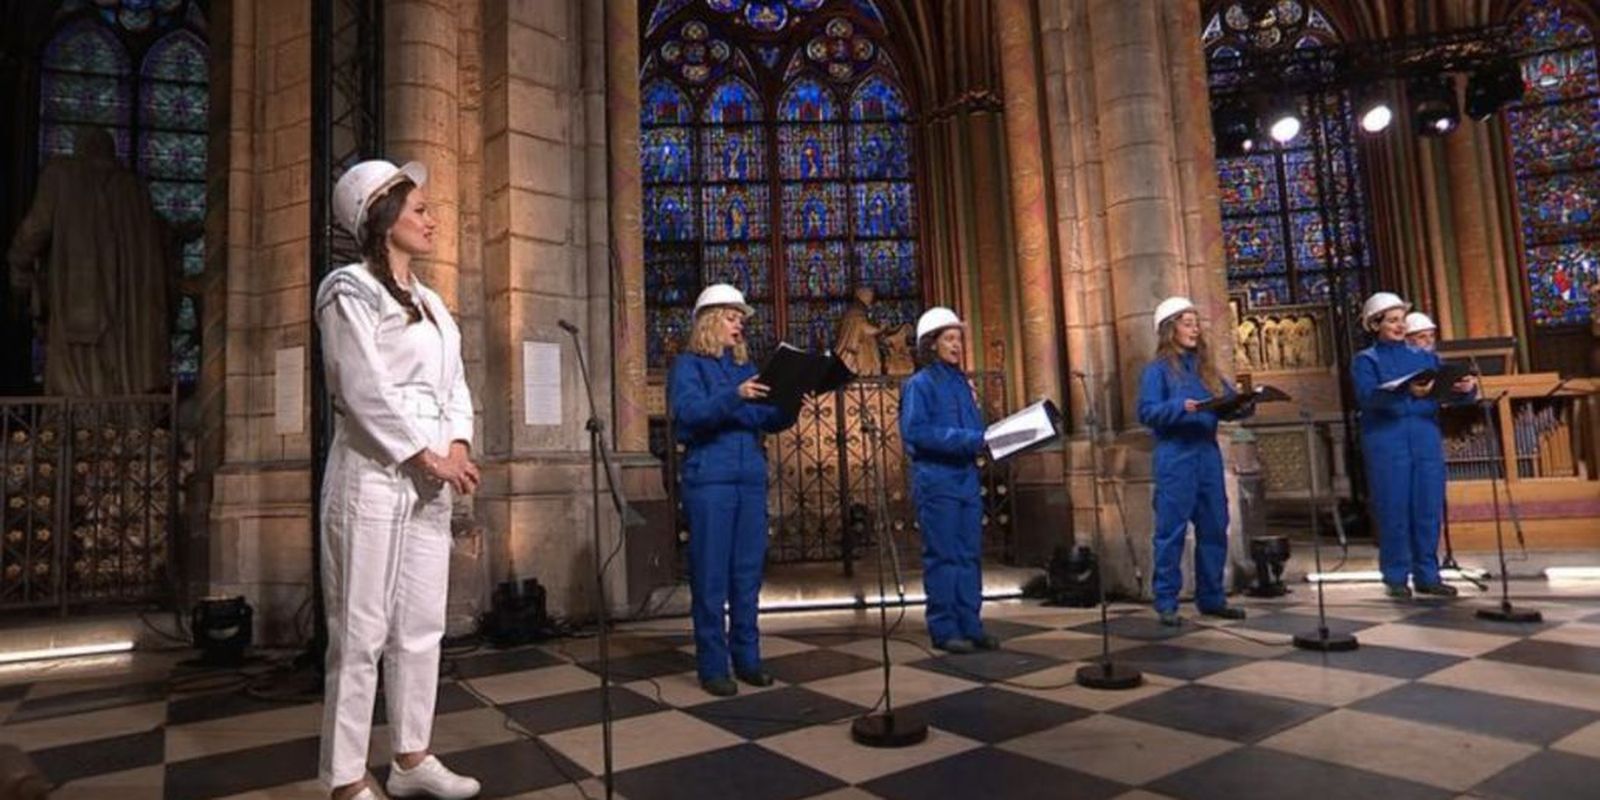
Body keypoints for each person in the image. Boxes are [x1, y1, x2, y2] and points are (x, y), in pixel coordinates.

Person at [315, 159, 481, 800]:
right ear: (383, 220)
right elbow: (362, 389)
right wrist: (425, 455)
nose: (432, 219)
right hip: (374, 474)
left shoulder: (433, 303)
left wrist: (458, 446)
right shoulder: (348, 290)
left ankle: (411, 759)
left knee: (420, 625)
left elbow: (456, 385)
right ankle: (346, 780)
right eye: (419, 210)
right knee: (360, 629)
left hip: (432, 477)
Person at [669, 284, 798, 696]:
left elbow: (769, 419)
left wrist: (794, 398)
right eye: (731, 317)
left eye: (741, 319)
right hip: (710, 480)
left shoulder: (746, 368)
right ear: (709, 321)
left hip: (748, 479)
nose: (739, 324)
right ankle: (713, 665)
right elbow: (690, 414)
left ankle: (748, 658)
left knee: (746, 575)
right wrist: (734, 396)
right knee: (711, 576)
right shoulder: (688, 366)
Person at [7, 126, 170, 395]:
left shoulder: (62, 175)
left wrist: (18, 263)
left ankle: (83, 430)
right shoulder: (134, 189)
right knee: (116, 377)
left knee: (78, 387)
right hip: (128, 317)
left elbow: (34, 231)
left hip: (77, 302)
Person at [1352, 292, 1476, 600]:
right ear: (1375, 324)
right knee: (1393, 509)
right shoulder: (1366, 360)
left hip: (1425, 437)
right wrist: (1405, 392)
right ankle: (1395, 576)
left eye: (1401, 320)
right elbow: (1367, 398)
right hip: (1386, 440)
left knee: (1427, 507)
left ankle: (1427, 575)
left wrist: (1465, 390)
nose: (1399, 325)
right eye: (1392, 320)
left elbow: (1448, 393)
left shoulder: (1425, 358)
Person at [1137, 296, 1253, 627]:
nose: (1194, 329)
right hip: (1176, 455)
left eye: (1196, 323)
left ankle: (1212, 597)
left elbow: (1227, 399)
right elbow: (1146, 412)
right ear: (1169, 329)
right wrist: (1179, 408)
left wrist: (1244, 404)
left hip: (1207, 455)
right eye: (1187, 323)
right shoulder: (1157, 371)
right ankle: (1166, 601)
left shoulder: (1207, 371)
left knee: (1215, 527)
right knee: (1170, 531)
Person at [899, 307, 996, 653]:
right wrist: (970, 440)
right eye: (949, 339)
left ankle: (971, 623)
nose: (957, 345)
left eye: (959, 339)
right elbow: (916, 433)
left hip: (966, 479)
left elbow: (975, 430)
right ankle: (945, 627)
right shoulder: (919, 385)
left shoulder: (962, 384)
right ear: (932, 344)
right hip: (937, 481)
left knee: (969, 554)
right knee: (943, 556)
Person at [835, 284, 885, 376]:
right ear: (862, 296)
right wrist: (880, 329)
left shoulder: (858, 310)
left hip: (863, 347)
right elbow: (865, 328)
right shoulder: (856, 311)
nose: (871, 299)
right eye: (870, 296)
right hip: (858, 353)